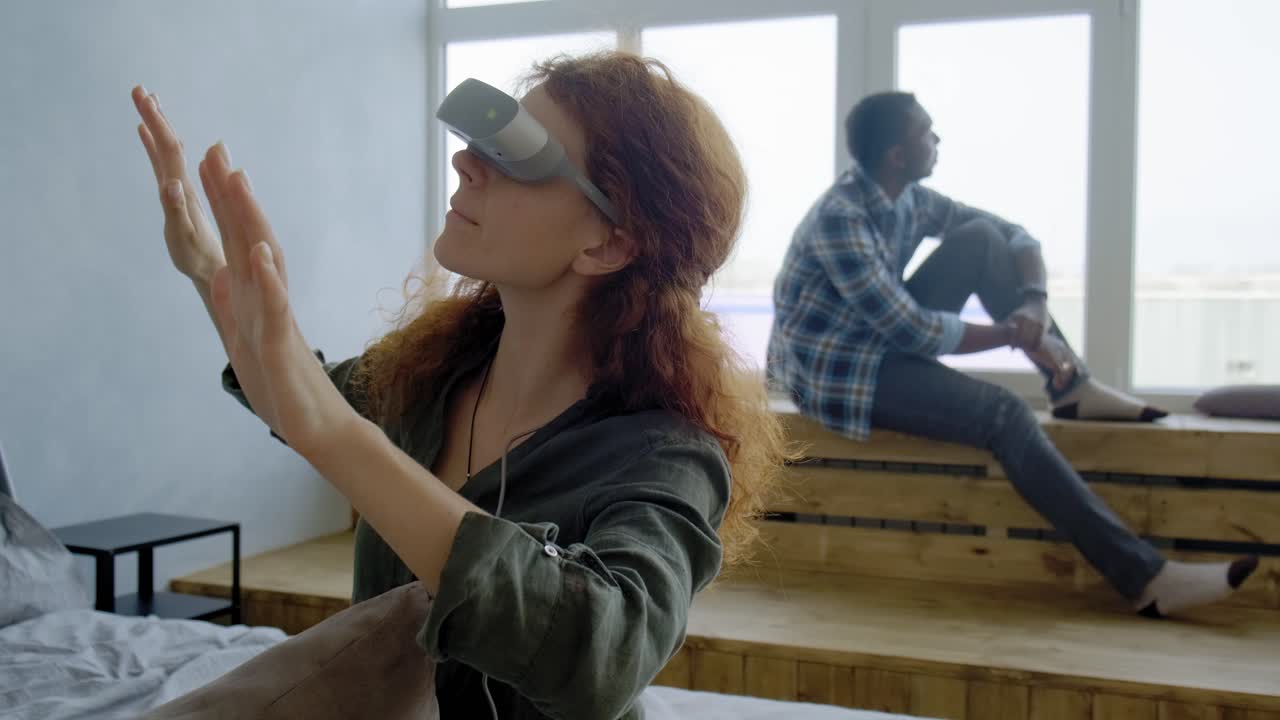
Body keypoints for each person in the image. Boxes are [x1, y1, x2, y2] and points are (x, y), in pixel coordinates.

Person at [132, 51, 786, 719]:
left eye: (519, 157)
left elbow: (604, 655)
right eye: (482, 143)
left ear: (608, 245)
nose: (466, 163)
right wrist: (208, 268)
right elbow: (296, 394)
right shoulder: (432, 380)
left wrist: (337, 436)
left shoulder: (663, 457)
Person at [767, 91, 1258, 618]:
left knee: (980, 239)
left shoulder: (908, 198)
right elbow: (911, 330)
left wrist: (1035, 305)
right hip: (837, 374)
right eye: (926, 132)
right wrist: (1011, 334)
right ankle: (1146, 579)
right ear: (897, 155)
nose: (937, 141)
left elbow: (1013, 234)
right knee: (1004, 413)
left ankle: (1072, 387)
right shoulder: (840, 218)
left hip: (877, 341)